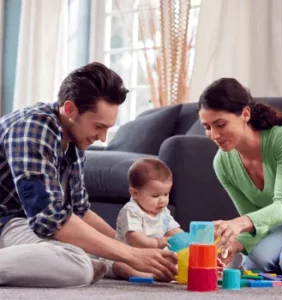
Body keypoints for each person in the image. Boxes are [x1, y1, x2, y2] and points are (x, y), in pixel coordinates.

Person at [0, 62, 178, 287]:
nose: (102, 138)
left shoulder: (74, 140)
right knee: (78, 265)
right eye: (98, 126)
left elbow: (80, 212)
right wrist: (130, 255)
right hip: (5, 222)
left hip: (22, 223)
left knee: (96, 250)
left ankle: (107, 264)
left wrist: (127, 248)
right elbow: (49, 219)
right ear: (70, 109)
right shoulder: (34, 128)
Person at [197, 77, 282, 275]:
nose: (214, 135)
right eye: (207, 127)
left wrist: (237, 224)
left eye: (220, 124)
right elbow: (256, 222)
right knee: (256, 262)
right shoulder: (223, 163)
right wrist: (233, 244)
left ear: (245, 114)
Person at [111, 158, 224, 280]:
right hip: (130, 256)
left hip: (154, 257)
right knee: (119, 265)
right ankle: (146, 276)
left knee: (173, 258)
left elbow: (174, 231)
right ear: (134, 193)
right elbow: (134, 237)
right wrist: (157, 243)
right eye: (155, 196)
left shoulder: (163, 211)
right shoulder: (131, 210)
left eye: (166, 194)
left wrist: (192, 241)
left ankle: (172, 273)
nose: (162, 200)